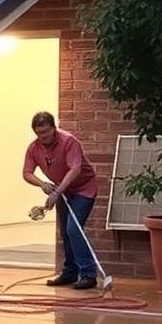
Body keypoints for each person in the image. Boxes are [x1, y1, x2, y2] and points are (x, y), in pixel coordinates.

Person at [22, 111, 99, 290]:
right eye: (40, 133)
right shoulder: (34, 148)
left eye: (47, 132)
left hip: (82, 189)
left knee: (74, 229)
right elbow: (26, 173)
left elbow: (75, 169)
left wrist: (57, 192)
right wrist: (42, 184)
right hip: (62, 191)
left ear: (54, 128)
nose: (44, 136)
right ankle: (70, 272)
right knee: (65, 231)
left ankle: (88, 274)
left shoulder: (69, 141)